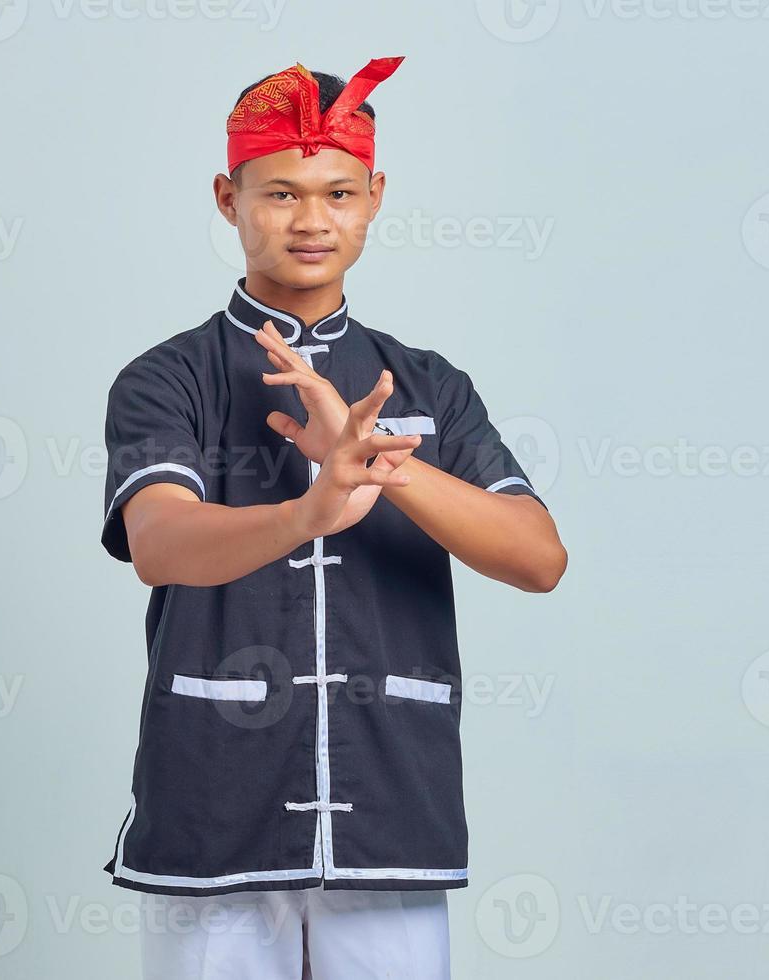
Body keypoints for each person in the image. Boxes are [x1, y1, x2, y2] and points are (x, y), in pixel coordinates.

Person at [98, 55, 567, 979]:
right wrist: (311, 508)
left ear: (375, 196)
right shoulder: (167, 378)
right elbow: (159, 545)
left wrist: (384, 468)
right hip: (214, 805)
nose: (312, 221)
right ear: (228, 199)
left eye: (338, 192)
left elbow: (538, 558)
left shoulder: (428, 383)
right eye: (280, 193)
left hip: (391, 796)